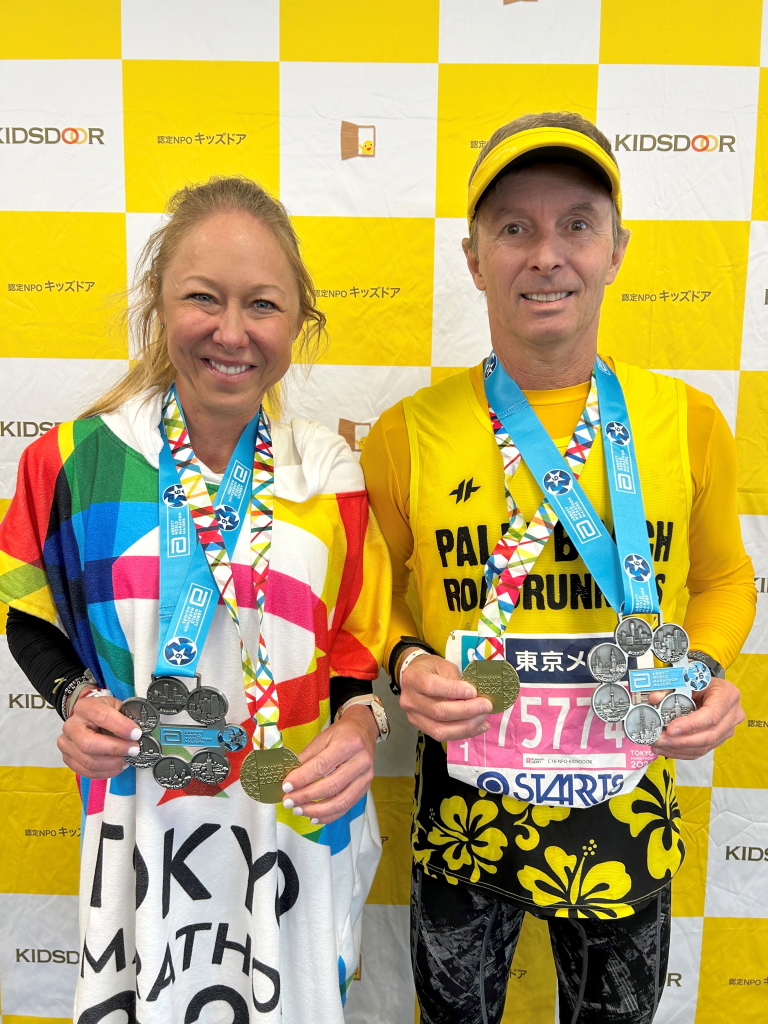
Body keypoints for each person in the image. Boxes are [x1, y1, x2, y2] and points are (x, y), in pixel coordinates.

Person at [361, 112, 755, 1024]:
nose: (547, 255)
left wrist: (700, 668)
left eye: (577, 224)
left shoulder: (687, 422)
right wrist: (407, 661)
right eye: (515, 228)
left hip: (626, 800)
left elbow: (727, 580)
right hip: (466, 808)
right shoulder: (406, 432)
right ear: (474, 259)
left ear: (616, 249)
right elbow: (369, 595)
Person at [0, 176, 392, 1024]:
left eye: (262, 304)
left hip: (294, 824)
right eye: (203, 298)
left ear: (298, 321)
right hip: (142, 822)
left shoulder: (327, 471)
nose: (232, 331)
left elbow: (354, 651)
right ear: (158, 302)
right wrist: (74, 698)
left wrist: (362, 725)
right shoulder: (71, 462)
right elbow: (26, 613)